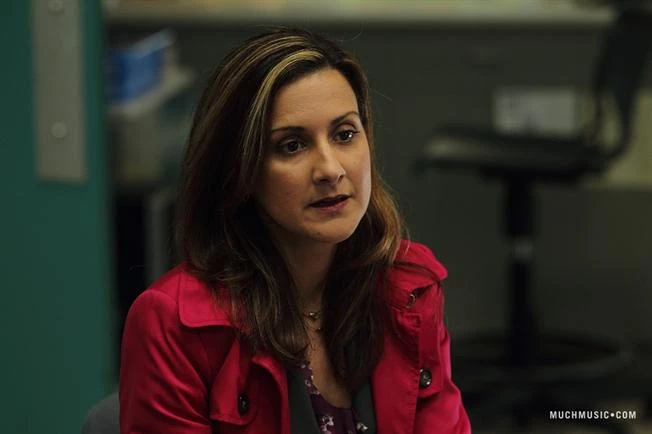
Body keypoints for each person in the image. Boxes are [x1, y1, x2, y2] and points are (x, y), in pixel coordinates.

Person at [119, 27, 471, 434]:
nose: (331, 170)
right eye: (292, 145)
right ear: (238, 170)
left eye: (344, 135)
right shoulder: (173, 324)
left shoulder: (408, 288)